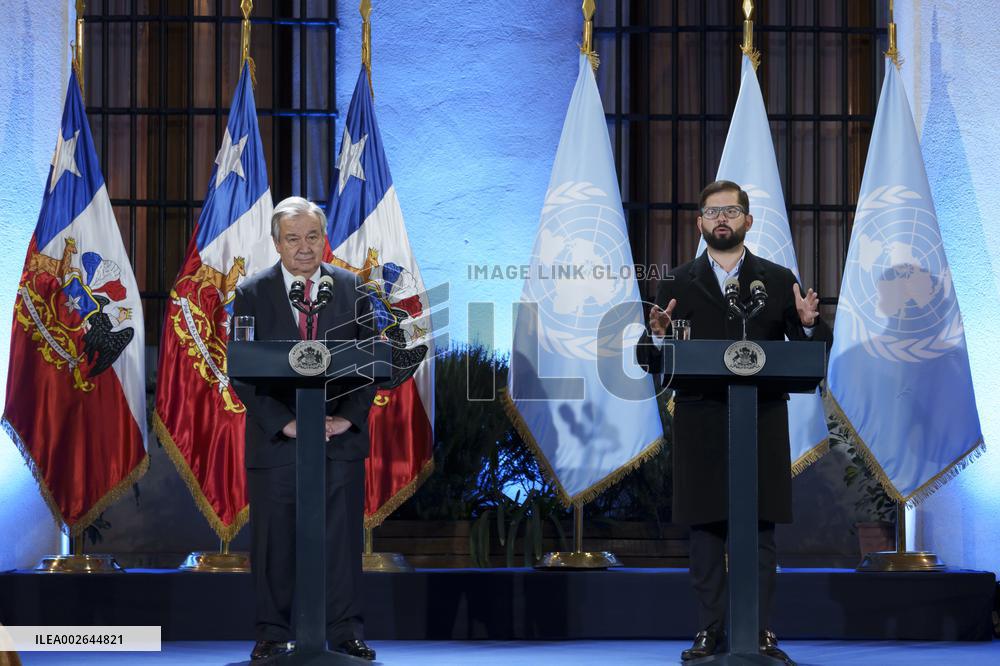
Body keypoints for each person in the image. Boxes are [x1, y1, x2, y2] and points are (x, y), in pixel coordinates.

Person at [637, 180, 832, 665]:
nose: (721, 219)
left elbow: (811, 355)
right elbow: (648, 359)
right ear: (699, 223)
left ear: (748, 221)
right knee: (705, 531)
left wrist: (807, 324)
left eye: (730, 211)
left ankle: (760, 631)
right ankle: (709, 631)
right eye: (711, 211)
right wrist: (657, 338)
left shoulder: (776, 277)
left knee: (760, 531)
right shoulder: (678, 282)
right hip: (701, 422)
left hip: (761, 421)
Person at [233, 196, 377, 662]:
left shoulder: (353, 290)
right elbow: (243, 372)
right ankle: (273, 633)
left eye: (312, 236)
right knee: (275, 541)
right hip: (279, 443)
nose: (304, 247)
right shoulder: (252, 292)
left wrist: (348, 418)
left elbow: (373, 362)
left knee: (340, 540)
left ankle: (345, 632)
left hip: (338, 440)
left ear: (324, 239)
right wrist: (287, 423)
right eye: (292, 238)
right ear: (276, 243)